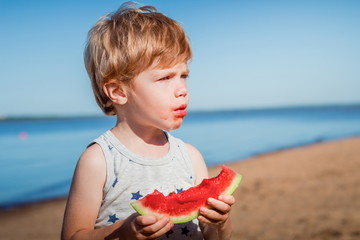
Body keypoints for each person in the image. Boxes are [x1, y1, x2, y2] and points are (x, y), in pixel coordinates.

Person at [61, 2, 235, 239]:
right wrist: (122, 233)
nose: (182, 89)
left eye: (183, 76)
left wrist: (220, 224)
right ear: (118, 92)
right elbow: (72, 236)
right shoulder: (99, 160)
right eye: (165, 78)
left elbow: (213, 237)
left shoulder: (190, 156)